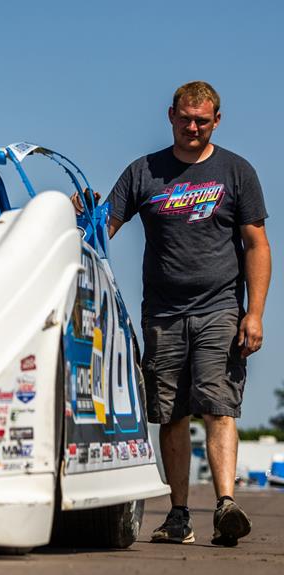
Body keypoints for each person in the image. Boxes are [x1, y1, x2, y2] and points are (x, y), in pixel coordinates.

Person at [102, 81, 271, 546]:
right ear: (171, 115)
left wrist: (253, 313)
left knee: (218, 406)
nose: (193, 127)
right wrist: (80, 219)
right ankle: (179, 516)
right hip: (162, 313)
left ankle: (224, 506)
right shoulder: (144, 172)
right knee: (170, 413)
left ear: (217, 120)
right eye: (185, 117)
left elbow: (257, 245)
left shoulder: (236, 172)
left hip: (219, 307)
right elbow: (104, 228)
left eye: (202, 120)